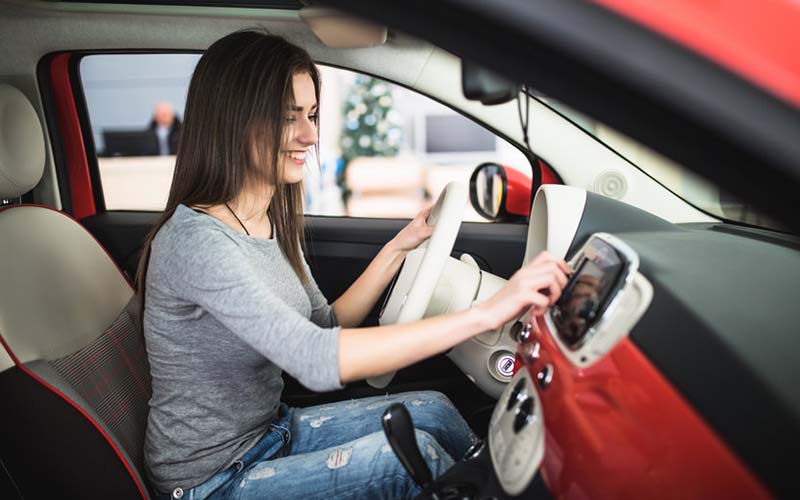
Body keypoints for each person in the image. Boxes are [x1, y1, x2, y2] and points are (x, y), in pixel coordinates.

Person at [136, 30, 570, 500]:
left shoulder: (266, 219)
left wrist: (398, 249)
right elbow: (314, 357)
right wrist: (485, 314)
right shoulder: (196, 242)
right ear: (234, 122)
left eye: (312, 115)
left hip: (270, 432)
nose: (310, 135)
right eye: (289, 118)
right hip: (211, 479)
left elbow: (324, 322)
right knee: (402, 465)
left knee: (434, 411)